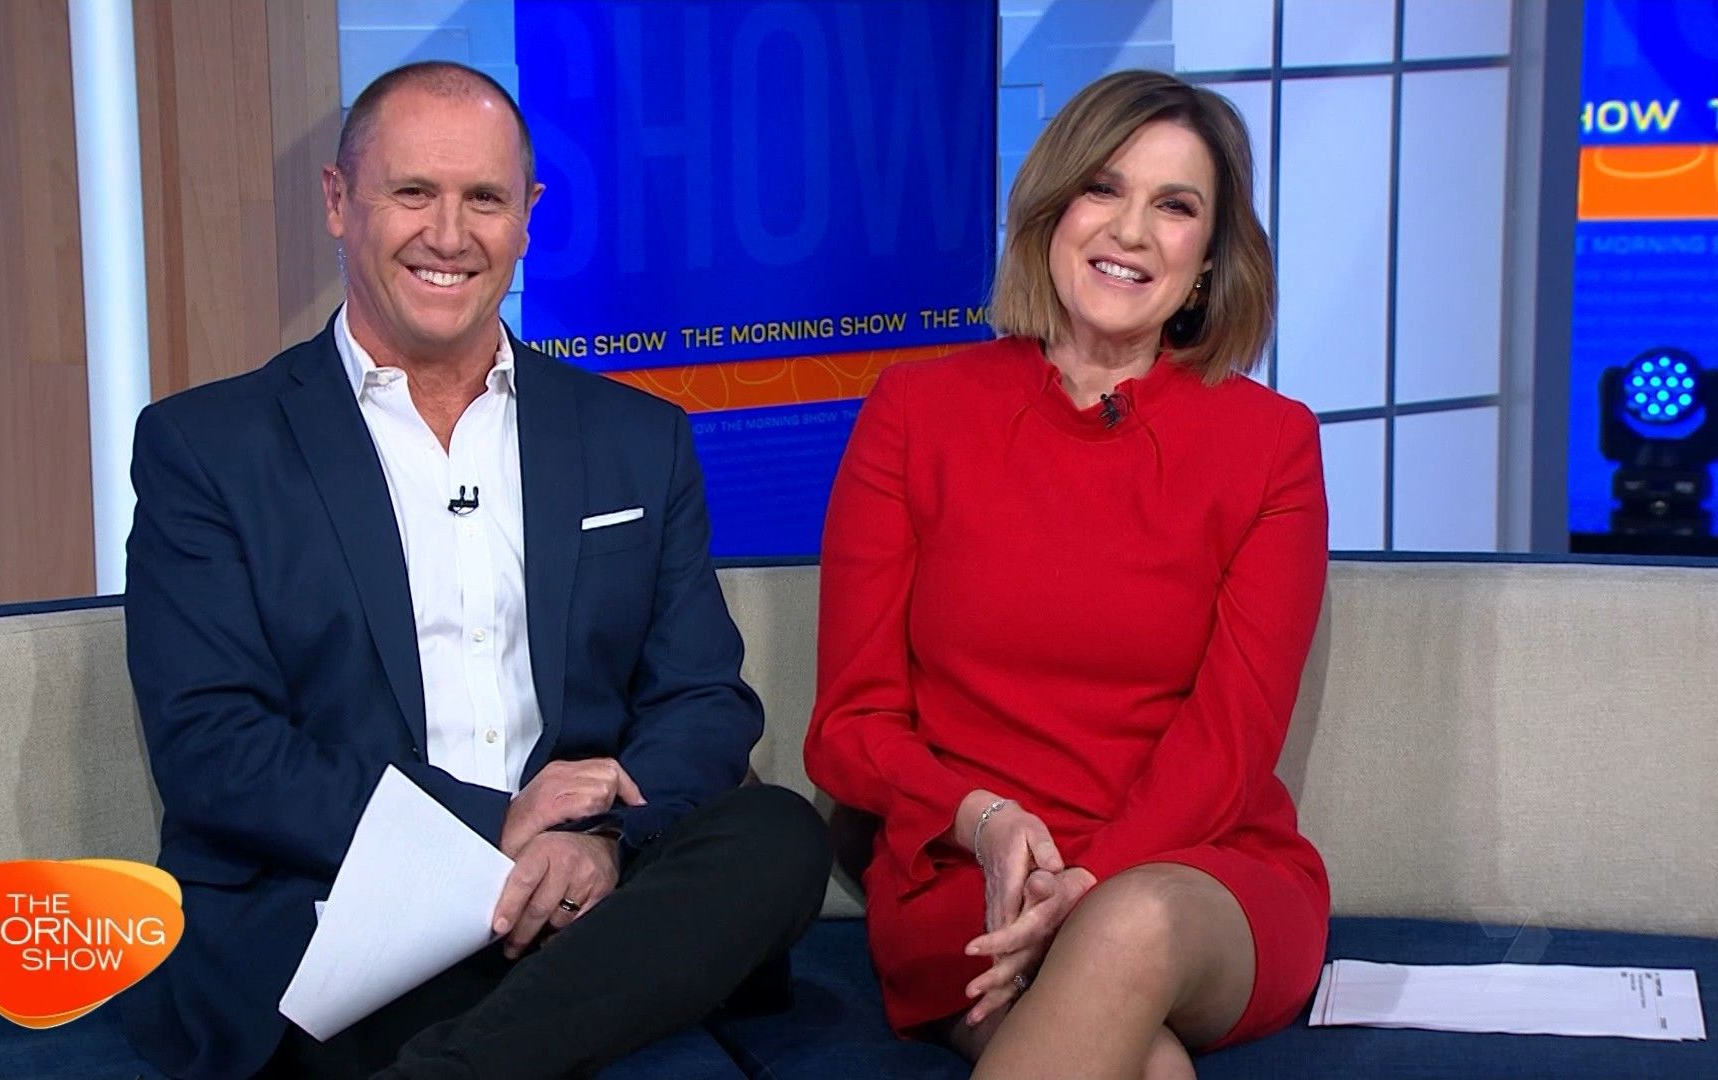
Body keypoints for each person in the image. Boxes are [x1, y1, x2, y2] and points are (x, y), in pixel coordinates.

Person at [119, 60, 829, 1080]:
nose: (449, 235)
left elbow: (703, 701)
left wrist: (596, 842)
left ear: (528, 215)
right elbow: (213, 749)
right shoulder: (210, 448)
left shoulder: (636, 439)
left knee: (778, 835)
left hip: (585, 893)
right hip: (350, 908)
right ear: (338, 201)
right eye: (413, 192)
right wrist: (490, 824)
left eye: (484, 200)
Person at [803, 69, 1329, 1080]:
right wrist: (985, 821)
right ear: (1052, 209)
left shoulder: (1271, 446)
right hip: (974, 876)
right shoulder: (916, 414)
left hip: (1195, 874)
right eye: (1103, 187)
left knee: (1128, 924)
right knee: (1149, 1069)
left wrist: (1092, 880)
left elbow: (1230, 739)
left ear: (1209, 261)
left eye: (1174, 206)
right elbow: (849, 729)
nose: (1131, 230)